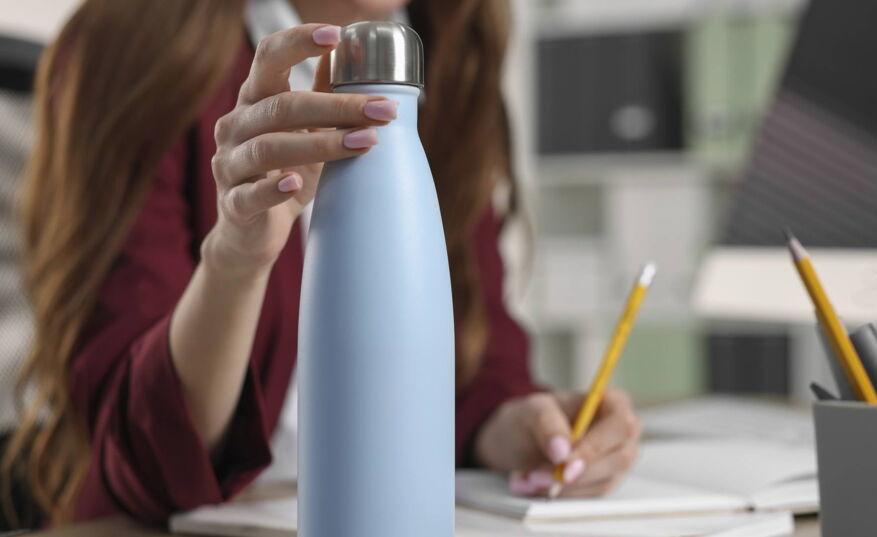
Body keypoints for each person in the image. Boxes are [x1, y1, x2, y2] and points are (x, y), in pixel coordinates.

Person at [2, 0, 641, 527]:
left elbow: (476, 352)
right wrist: (235, 260)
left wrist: (518, 425)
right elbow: (142, 455)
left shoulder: (444, 44)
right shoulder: (140, 46)